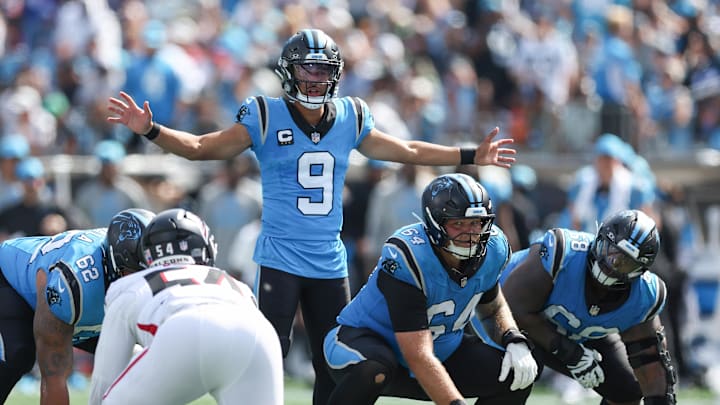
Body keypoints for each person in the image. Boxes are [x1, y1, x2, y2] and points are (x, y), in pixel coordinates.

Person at [106, 28, 516, 404]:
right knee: (264, 349)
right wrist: (151, 130)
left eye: (325, 70)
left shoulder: (351, 116)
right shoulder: (265, 115)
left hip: (328, 261)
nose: (317, 78)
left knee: (332, 362)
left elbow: (406, 151)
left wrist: (468, 155)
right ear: (289, 71)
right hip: (280, 257)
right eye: (308, 68)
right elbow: (200, 146)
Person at [323, 173, 538, 405]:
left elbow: (493, 306)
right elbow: (418, 355)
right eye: (458, 224)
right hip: (365, 345)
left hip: (440, 351)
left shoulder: (494, 247)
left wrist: (513, 338)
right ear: (435, 223)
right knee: (373, 369)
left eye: (476, 223)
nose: (470, 234)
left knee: (517, 376)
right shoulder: (410, 255)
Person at [477, 209, 677, 404]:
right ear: (599, 239)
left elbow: (651, 363)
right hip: (507, 320)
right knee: (521, 369)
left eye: (625, 264)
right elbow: (512, 308)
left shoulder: (644, 295)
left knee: (627, 389)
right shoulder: (563, 253)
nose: (612, 264)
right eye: (612, 252)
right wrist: (570, 353)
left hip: (575, 332)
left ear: (640, 271)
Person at [89, 208, 283, 405]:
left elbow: (105, 378)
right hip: (258, 334)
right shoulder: (238, 286)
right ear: (207, 247)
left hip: (184, 330)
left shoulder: (129, 287)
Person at [0, 208, 155, 404]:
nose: (143, 280)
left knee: (140, 361)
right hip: (12, 283)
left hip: (84, 300)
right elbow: (53, 378)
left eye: (151, 271)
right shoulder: (73, 281)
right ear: (116, 261)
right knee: (17, 353)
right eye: (136, 271)